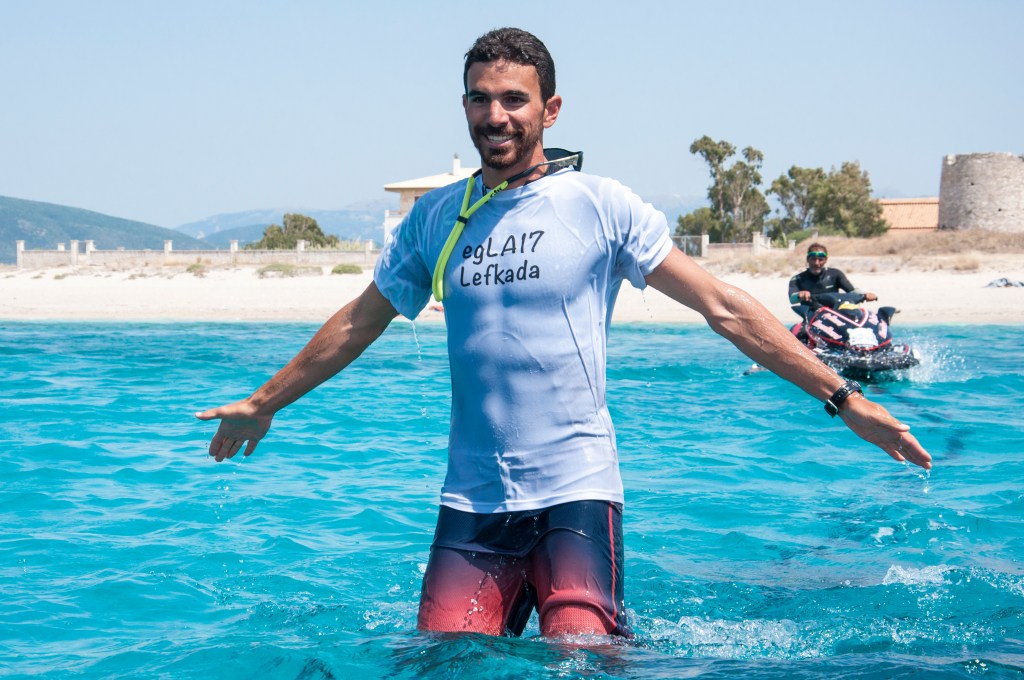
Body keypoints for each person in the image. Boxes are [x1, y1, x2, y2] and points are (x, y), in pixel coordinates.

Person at [196, 27, 931, 639]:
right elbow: (360, 321)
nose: (496, 116)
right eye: (480, 99)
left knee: (582, 659)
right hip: (472, 502)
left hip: (576, 489)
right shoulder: (435, 218)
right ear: (464, 106)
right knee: (439, 662)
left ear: (549, 109)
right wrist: (265, 402)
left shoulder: (599, 205)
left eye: (514, 99)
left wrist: (843, 398)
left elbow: (725, 308)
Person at [788, 243, 877, 319]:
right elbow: (792, 299)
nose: (817, 263)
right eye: (813, 259)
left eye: (820, 259)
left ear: (826, 260)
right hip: (812, 318)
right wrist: (799, 295)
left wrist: (865, 295)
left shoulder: (835, 274)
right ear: (808, 259)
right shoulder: (797, 279)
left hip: (835, 317)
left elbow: (852, 291)